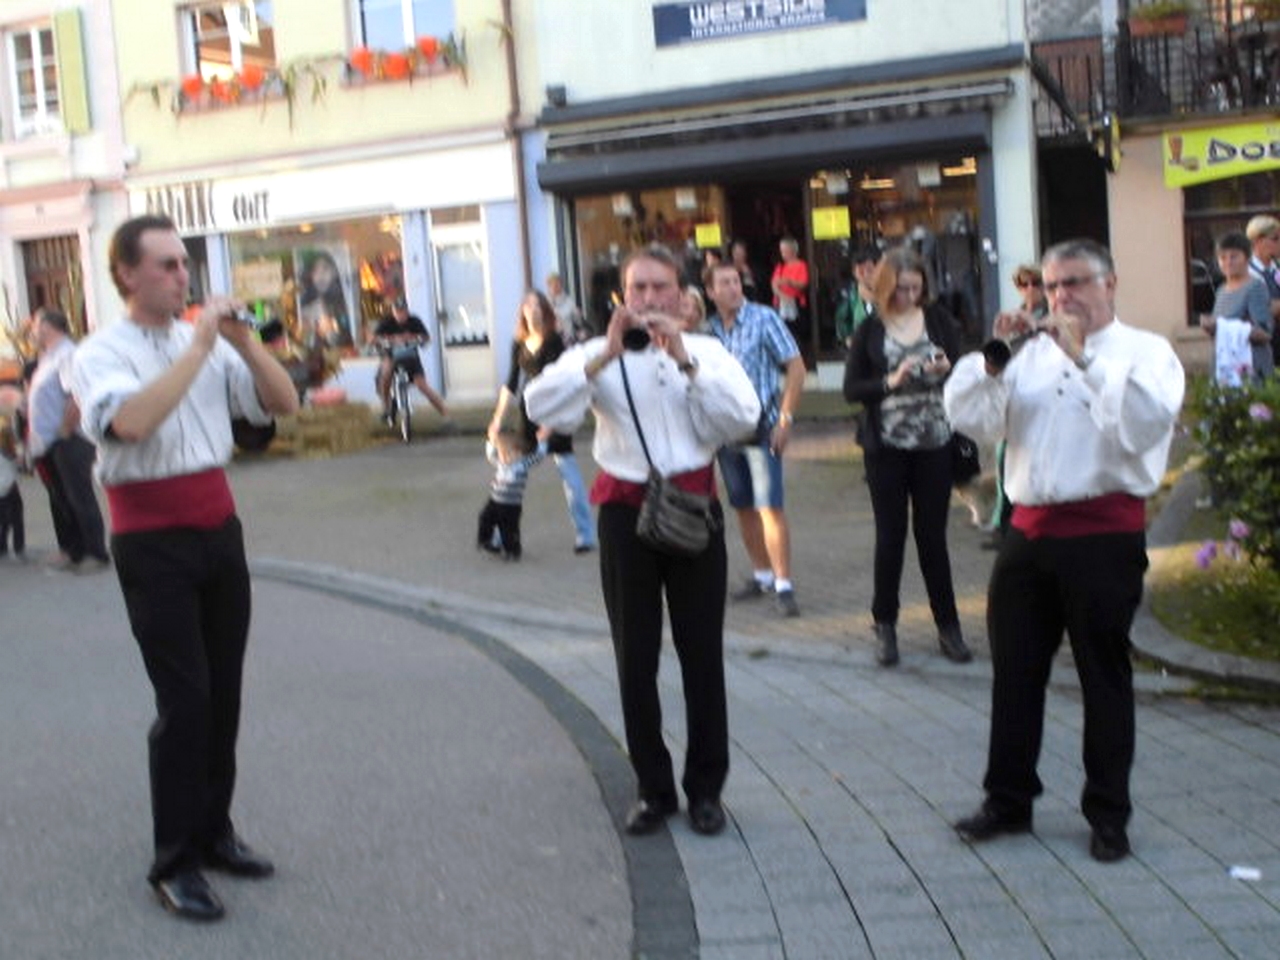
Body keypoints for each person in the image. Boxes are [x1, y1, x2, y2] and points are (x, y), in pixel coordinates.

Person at [71, 214, 300, 921]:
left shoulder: (200, 341)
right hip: (152, 540)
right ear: (126, 275)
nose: (182, 276)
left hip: (216, 529)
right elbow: (131, 425)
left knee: (224, 692)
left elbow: (282, 405)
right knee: (186, 701)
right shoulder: (99, 352)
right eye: (166, 265)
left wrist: (244, 344)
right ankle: (173, 861)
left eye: (183, 264)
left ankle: (214, 831)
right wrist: (201, 347)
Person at [944, 239, 1184, 863]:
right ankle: (1009, 798)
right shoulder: (1031, 355)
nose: (1061, 297)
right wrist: (993, 365)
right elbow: (974, 421)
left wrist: (1083, 358)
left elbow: (1142, 428)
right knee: (1015, 672)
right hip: (1027, 534)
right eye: (1051, 287)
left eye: (1075, 283)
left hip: (1103, 535)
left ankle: (1108, 813)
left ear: (1111, 284)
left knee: (1103, 676)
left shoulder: (1146, 353)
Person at [523, 244, 760, 837]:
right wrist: (602, 355)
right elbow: (539, 406)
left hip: (693, 510)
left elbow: (743, 419)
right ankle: (653, 790)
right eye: (638, 290)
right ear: (622, 297)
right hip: (627, 516)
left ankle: (706, 790)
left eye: (660, 289)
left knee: (702, 655)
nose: (650, 300)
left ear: (682, 297)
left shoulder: (708, 351)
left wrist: (685, 362)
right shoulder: (594, 354)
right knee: (635, 658)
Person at [843, 247, 971, 667]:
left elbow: (961, 369)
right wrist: (889, 380)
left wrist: (945, 368)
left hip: (934, 442)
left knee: (933, 537)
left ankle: (948, 627)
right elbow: (852, 389)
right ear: (885, 288)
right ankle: (885, 625)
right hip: (887, 448)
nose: (909, 296)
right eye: (900, 289)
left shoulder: (937, 320)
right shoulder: (870, 329)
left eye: (916, 288)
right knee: (890, 537)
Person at [705, 262, 806, 617]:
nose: (734, 288)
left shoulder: (764, 318)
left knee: (770, 507)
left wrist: (786, 418)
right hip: (726, 434)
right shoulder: (710, 330)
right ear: (711, 292)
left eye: (736, 281)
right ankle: (761, 576)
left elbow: (796, 366)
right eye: (725, 283)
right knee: (743, 507)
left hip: (763, 427)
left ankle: (784, 585)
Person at [487, 290, 596, 554]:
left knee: (569, 475)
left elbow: (561, 384)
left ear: (545, 312)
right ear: (523, 312)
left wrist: (551, 425)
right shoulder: (519, 343)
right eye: (528, 306)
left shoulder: (555, 341)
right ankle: (502, 535)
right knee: (512, 476)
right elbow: (511, 383)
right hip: (528, 419)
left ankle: (586, 535)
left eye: (538, 306)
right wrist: (497, 420)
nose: (533, 310)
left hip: (554, 418)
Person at [26, 307, 110, 571]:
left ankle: (95, 553)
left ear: (49, 326)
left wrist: (64, 429)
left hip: (69, 439)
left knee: (78, 497)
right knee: (60, 499)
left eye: (36, 324)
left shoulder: (67, 354)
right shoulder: (47, 357)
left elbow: (76, 396)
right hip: (49, 442)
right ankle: (73, 550)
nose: (32, 330)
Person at [984, 264, 1050, 548]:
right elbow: (999, 355)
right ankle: (1003, 524)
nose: (1030, 290)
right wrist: (1000, 333)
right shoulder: (1016, 314)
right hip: (1014, 396)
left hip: (1040, 398)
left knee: (1031, 463)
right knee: (1003, 460)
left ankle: (1024, 525)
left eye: (1035, 284)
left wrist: (1032, 324)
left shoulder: (1048, 315)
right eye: (1024, 285)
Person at [1200, 232, 1273, 384]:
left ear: (1247, 258)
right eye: (1222, 257)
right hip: (1224, 365)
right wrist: (1210, 327)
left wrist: (1223, 326)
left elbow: (1265, 332)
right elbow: (1220, 331)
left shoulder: (1255, 287)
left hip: (1250, 368)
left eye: (1234, 256)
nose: (1228, 262)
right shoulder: (1221, 290)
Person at [374, 298, 450, 423]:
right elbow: (374, 338)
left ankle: (446, 415)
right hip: (391, 356)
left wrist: (414, 337)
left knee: (422, 386)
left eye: (403, 311)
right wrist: (392, 339)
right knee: (386, 373)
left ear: (407, 311)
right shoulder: (387, 322)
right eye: (397, 311)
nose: (400, 314)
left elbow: (426, 338)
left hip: (411, 357)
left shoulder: (414, 321)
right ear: (393, 312)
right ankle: (385, 406)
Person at [477, 432, 548, 560]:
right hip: (494, 501)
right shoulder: (500, 463)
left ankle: (513, 551)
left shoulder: (521, 465)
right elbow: (491, 455)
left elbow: (538, 456)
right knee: (484, 518)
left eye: (508, 455)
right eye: (502, 454)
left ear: (519, 454)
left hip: (511, 505)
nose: (504, 458)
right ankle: (486, 540)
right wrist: (491, 440)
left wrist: (542, 441)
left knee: (508, 529)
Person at [297, 249, 353, 349]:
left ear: (335, 271)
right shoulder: (306, 309)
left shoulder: (347, 305)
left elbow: (338, 341)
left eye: (325, 269)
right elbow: (306, 343)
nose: (320, 276)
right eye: (315, 271)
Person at [1245, 214, 1280, 371]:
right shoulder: (1247, 273)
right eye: (1275, 238)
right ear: (1257, 241)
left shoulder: (1276, 268)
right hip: (1262, 347)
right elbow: (1264, 309)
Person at [833, 246, 882, 351]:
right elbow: (842, 320)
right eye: (860, 270)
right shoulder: (850, 295)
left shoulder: (890, 292)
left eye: (869, 270)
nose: (865, 274)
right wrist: (847, 339)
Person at [771, 237, 809, 356]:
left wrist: (789, 282)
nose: (782, 254)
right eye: (781, 250)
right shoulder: (780, 266)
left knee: (796, 333)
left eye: (784, 250)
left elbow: (803, 284)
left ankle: (798, 357)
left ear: (793, 251)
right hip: (780, 304)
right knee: (782, 333)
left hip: (796, 303)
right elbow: (774, 284)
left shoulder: (801, 265)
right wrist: (782, 295)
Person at [0, 417, 24, 561]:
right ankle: (18, 548)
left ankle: (2, 546)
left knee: (3, 521)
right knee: (16, 520)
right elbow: (21, 467)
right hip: (10, 489)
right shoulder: (10, 453)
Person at [546, 271, 589, 344]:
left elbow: (578, 322)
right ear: (548, 286)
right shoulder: (545, 303)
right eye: (552, 284)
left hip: (568, 340)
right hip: (551, 342)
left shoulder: (569, 301)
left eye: (557, 283)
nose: (555, 286)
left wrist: (578, 315)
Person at [730, 239, 764, 304]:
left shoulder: (753, 266)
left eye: (741, 252)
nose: (739, 255)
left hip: (751, 300)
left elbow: (759, 285)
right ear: (733, 253)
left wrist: (748, 274)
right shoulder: (728, 267)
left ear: (745, 253)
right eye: (737, 253)